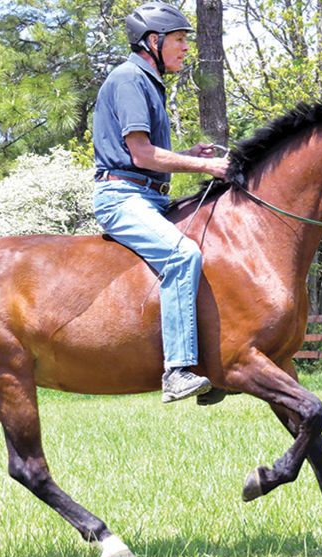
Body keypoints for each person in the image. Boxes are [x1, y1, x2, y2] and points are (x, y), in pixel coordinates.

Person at [92, 1, 229, 404]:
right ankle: (177, 371)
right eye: (179, 40)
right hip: (122, 197)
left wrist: (189, 153)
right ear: (153, 41)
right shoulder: (130, 80)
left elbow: (146, 155)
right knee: (183, 255)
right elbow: (141, 155)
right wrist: (207, 167)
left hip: (147, 194)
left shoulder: (148, 82)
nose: (186, 48)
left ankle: (212, 364)